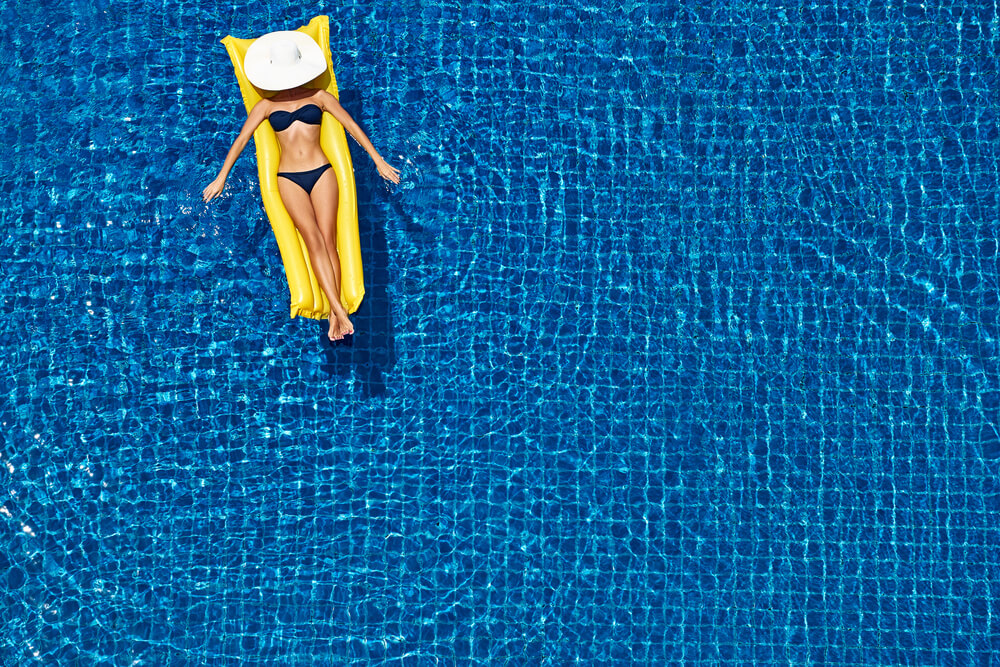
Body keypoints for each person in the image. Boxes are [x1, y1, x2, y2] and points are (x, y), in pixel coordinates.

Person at [202, 31, 400, 341]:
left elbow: (351, 127)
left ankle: (337, 314)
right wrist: (222, 175)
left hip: (322, 172)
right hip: (288, 179)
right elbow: (241, 141)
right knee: (311, 240)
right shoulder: (265, 106)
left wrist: (377, 159)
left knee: (328, 238)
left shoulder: (320, 98)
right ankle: (338, 310)